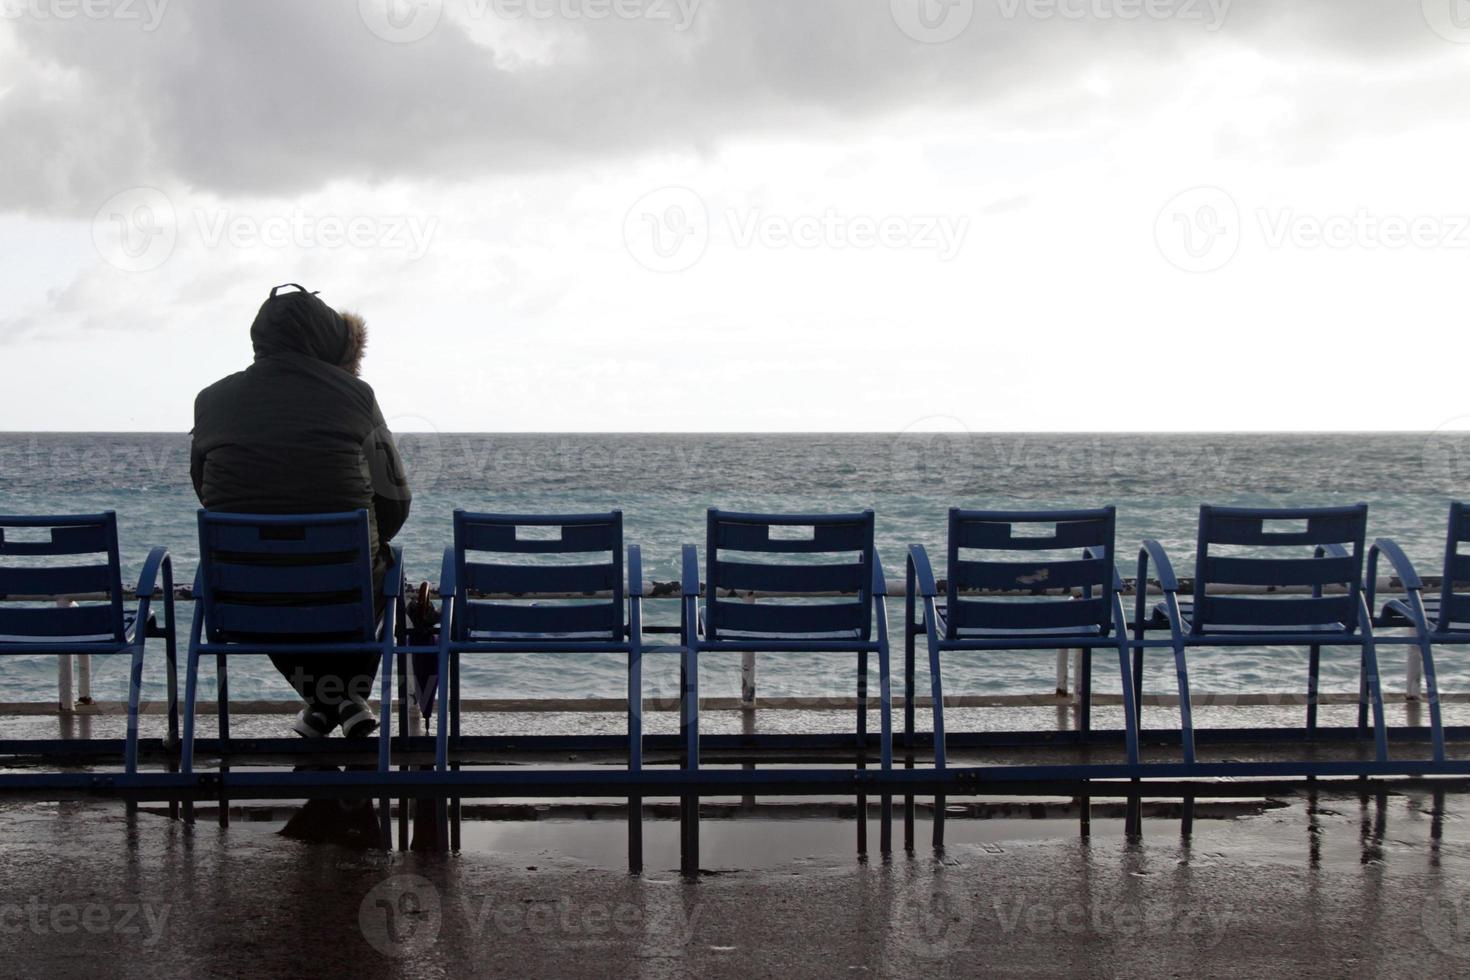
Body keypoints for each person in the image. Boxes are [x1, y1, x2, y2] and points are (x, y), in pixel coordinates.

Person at [190, 284, 411, 738]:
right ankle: (345, 700)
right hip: (342, 587)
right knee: (380, 570)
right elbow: (395, 499)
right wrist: (368, 535)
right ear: (325, 339)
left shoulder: (210, 401)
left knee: (274, 581)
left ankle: (325, 703)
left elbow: (206, 493)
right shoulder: (356, 396)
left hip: (242, 594)